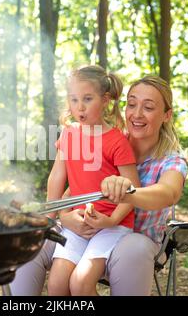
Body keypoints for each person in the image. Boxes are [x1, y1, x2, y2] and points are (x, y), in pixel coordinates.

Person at [10, 75, 188, 296]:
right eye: (132, 104)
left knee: (130, 250)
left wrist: (126, 193)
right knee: (27, 240)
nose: (137, 114)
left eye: (149, 107)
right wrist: (65, 216)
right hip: (84, 227)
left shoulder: (171, 160)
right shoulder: (104, 136)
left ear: (166, 115)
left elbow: (167, 193)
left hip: (127, 239)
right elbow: (75, 189)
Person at [46, 65, 140, 296]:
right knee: (57, 286)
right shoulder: (68, 134)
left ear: (105, 99)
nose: (79, 107)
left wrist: (110, 220)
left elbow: (133, 191)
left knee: (80, 283)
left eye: (87, 99)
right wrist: (53, 216)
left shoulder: (117, 141)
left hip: (113, 226)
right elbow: (57, 177)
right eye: (74, 99)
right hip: (79, 223)